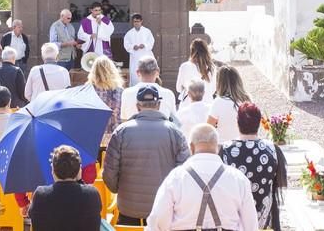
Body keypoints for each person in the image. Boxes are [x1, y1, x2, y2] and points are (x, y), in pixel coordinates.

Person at [103, 85, 190, 226]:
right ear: (159, 105)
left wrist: (122, 190)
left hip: (129, 209)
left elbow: (109, 172)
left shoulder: (122, 131)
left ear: (137, 106)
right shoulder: (175, 132)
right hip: (164, 210)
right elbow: (185, 172)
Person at [146, 123, 259, 231]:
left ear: (191, 147)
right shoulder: (238, 179)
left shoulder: (176, 177)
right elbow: (251, 225)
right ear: (217, 147)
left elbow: (158, 220)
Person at [220, 103, 287, 230]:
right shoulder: (272, 149)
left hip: (233, 219)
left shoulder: (225, 150)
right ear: (259, 122)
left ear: (237, 122)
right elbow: (278, 184)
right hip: (263, 218)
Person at [29, 145, 102, 231]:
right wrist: (80, 180)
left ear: (53, 170)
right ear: (79, 170)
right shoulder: (92, 195)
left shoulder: (40, 195)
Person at [120, 56, 178, 122]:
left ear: (138, 72)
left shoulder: (127, 93)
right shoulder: (168, 94)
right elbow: (174, 120)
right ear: (158, 71)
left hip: (133, 131)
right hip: (161, 131)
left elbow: (124, 120)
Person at [207, 65, 252, 144]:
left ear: (220, 83)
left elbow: (208, 129)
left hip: (224, 148)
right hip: (244, 146)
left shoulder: (218, 102)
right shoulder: (247, 100)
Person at [88, 56, 124, 135]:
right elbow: (118, 112)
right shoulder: (118, 90)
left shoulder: (88, 90)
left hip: (92, 131)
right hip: (114, 132)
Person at [176, 38, 217, 108]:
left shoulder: (185, 66)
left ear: (192, 51)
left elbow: (178, 88)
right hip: (207, 105)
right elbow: (213, 90)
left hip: (188, 104)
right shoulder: (212, 68)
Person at [123, 13, 155, 86]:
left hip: (145, 55)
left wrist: (144, 45)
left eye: (138, 21)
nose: (136, 23)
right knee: (135, 75)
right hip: (135, 57)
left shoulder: (147, 31)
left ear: (141, 21)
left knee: (147, 72)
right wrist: (133, 47)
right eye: (134, 22)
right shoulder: (129, 33)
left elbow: (151, 42)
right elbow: (126, 44)